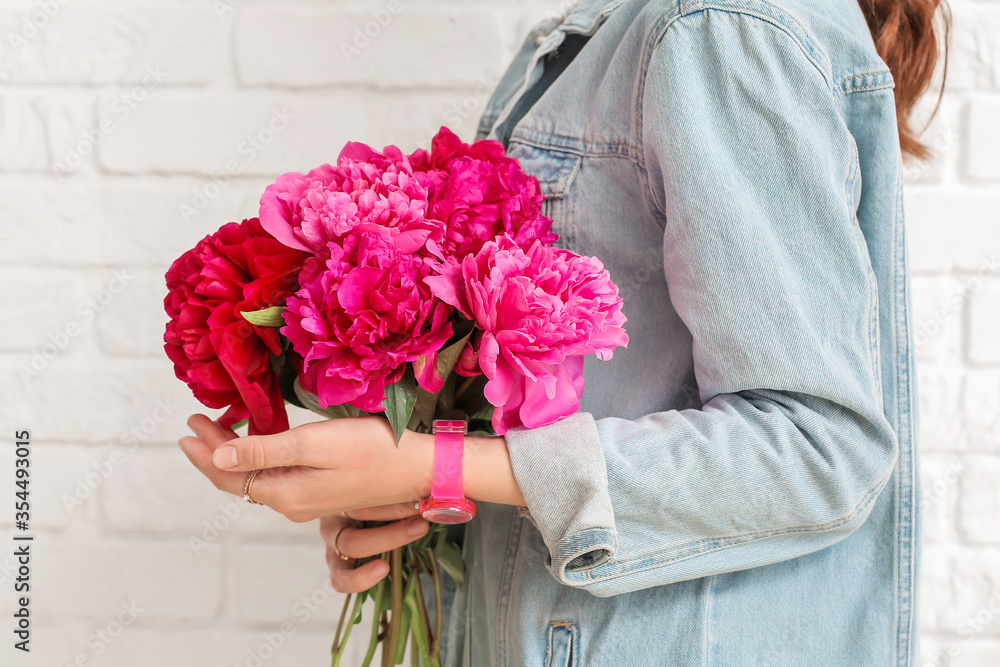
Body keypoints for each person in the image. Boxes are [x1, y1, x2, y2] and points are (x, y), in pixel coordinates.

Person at [179, 0, 948, 663]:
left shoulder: (715, 27)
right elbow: (583, 407)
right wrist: (404, 487)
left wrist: (437, 466)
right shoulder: (608, 33)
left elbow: (815, 448)